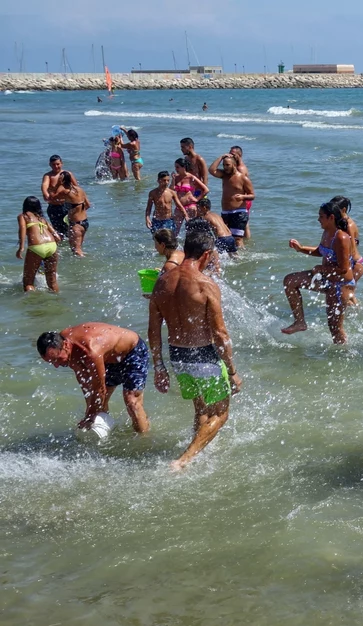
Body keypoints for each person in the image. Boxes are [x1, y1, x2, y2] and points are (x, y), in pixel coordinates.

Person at [148, 228, 242, 470]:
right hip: (204, 356)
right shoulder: (205, 284)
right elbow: (220, 333)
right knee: (220, 414)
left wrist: (159, 366)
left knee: (200, 408)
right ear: (207, 254)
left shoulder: (161, 282)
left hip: (177, 357)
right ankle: (183, 461)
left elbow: (153, 331)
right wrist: (231, 371)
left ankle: (197, 448)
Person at [37, 323, 150, 434]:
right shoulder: (64, 346)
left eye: (57, 359)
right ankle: (105, 433)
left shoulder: (90, 351)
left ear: (66, 345)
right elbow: (85, 382)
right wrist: (90, 412)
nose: (56, 366)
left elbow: (99, 389)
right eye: (51, 362)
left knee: (132, 402)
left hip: (132, 352)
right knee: (99, 404)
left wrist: (90, 416)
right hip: (108, 359)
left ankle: (144, 441)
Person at [279, 201, 355, 344]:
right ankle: (300, 322)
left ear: (331, 217)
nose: (318, 219)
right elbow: (321, 251)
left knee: (335, 329)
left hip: (341, 284)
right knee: (290, 281)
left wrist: (321, 269)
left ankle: (343, 355)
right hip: (326, 278)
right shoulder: (327, 232)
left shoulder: (342, 238)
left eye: (321, 216)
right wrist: (300, 248)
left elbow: (344, 268)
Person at [16, 196, 61, 292]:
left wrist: (21, 247)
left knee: (28, 282)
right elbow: (57, 237)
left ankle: (32, 304)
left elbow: (22, 230)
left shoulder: (23, 216)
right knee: (52, 281)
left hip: (37, 246)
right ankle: (57, 300)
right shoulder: (42, 219)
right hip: (52, 246)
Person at [209, 153, 255, 248]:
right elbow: (211, 170)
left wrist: (243, 197)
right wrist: (221, 157)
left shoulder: (243, 178)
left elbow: (252, 195)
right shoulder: (224, 176)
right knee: (224, 237)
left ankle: (242, 257)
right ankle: (231, 256)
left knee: (238, 239)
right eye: (224, 165)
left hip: (239, 212)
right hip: (225, 212)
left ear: (234, 165)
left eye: (227, 165)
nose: (225, 167)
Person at [51, 171, 90, 257]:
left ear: (62, 181)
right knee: (77, 249)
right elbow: (88, 205)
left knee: (76, 250)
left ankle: (84, 267)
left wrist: (57, 184)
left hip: (75, 225)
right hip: (84, 222)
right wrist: (77, 210)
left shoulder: (65, 192)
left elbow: (51, 198)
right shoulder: (80, 190)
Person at [41, 155, 77, 239]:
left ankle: (73, 246)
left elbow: (76, 188)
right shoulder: (48, 176)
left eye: (58, 164)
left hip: (67, 205)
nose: (56, 166)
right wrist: (46, 194)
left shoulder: (68, 174)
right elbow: (44, 186)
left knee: (71, 230)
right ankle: (60, 248)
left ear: (62, 163)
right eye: (53, 164)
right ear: (50, 164)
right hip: (54, 207)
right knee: (58, 232)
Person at [171, 158, 207, 233]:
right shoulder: (176, 178)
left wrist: (197, 199)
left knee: (191, 230)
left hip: (190, 206)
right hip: (179, 207)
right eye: (175, 167)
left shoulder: (191, 177)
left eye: (177, 167)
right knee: (175, 231)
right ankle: (176, 245)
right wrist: (173, 180)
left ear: (183, 167)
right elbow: (170, 191)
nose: (176, 169)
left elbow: (206, 190)